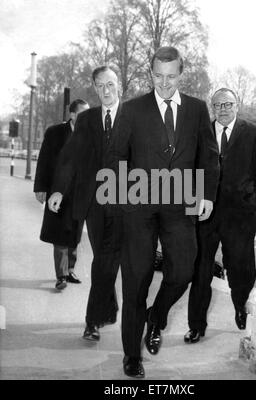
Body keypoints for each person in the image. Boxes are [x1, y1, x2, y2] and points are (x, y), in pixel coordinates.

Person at [110, 46, 220, 378]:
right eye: (158, 75)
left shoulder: (198, 110)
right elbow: (115, 156)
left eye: (171, 76)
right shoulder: (131, 110)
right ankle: (132, 356)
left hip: (180, 203)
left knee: (183, 272)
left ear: (181, 74)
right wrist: (123, 201)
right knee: (136, 280)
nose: (164, 83)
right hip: (139, 206)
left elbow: (209, 155)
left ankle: (156, 317)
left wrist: (207, 196)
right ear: (151, 73)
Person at [184, 88, 256, 344]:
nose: (223, 109)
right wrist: (193, 205)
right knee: (200, 270)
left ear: (237, 106)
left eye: (228, 104)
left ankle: (240, 304)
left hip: (241, 216)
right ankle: (196, 325)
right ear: (212, 108)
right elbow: (191, 171)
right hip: (206, 215)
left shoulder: (252, 132)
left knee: (242, 269)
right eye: (218, 105)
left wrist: (255, 200)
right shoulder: (202, 133)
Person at [48, 66, 122, 341]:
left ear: (119, 85)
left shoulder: (134, 117)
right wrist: (58, 191)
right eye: (100, 85)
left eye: (110, 84)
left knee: (111, 259)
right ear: (95, 88)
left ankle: (104, 311)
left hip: (128, 201)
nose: (106, 90)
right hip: (95, 203)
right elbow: (70, 157)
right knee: (104, 258)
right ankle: (93, 319)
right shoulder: (88, 119)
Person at [34, 99, 89, 290]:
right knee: (59, 234)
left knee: (75, 233)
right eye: (83, 113)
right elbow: (44, 161)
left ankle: (70, 269)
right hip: (58, 192)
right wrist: (40, 188)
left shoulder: (90, 135)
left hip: (80, 194)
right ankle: (61, 275)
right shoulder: (55, 133)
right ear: (72, 115)